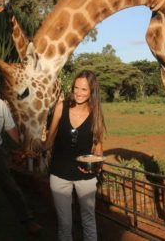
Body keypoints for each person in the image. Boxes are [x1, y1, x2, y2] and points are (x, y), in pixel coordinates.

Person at [43, 70, 106, 241]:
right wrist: (33, 146)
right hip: (59, 175)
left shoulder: (96, 113)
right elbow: (49, 141)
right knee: (64, 224)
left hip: (86, 176)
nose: (78, 93)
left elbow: (98, 149)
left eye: (84, 89)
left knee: (88, 220)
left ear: (92, 91)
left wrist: (96, 165)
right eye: (75, 88)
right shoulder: (61, 107)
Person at [0, 71, 42, 236]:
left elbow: (10, 129)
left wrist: (23, 147)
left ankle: (28, 221)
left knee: (11, 187)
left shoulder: (0, 105)